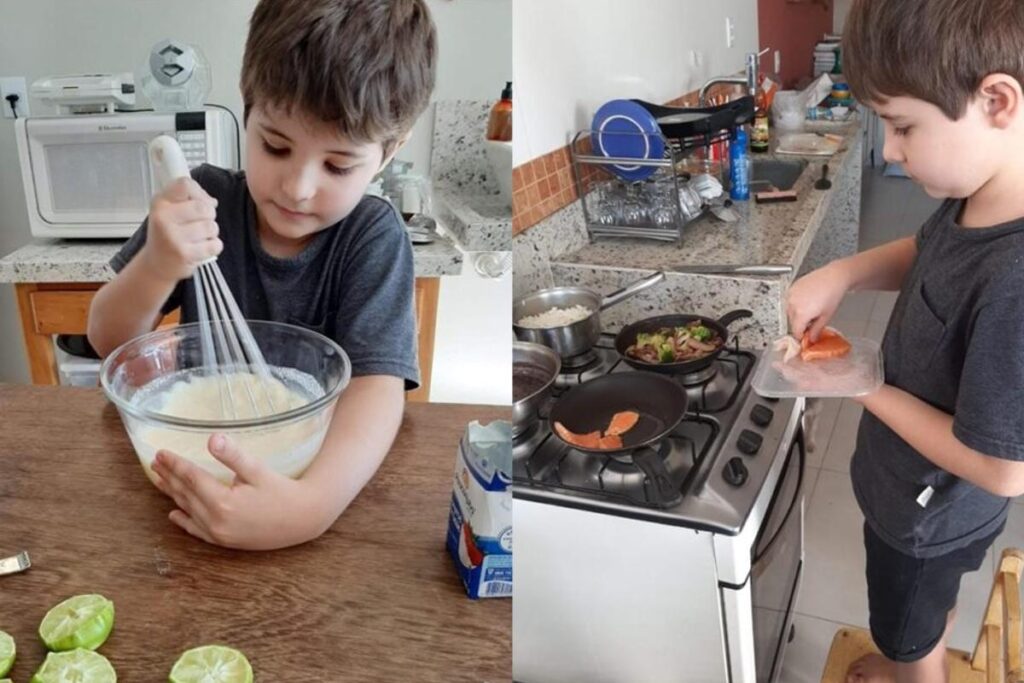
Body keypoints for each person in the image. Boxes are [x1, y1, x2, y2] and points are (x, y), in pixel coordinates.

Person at [87, 0, 437, 551]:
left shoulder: (372, 236)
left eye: (338, 166)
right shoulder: (204, 199)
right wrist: (157, 263)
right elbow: (108, 341)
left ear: (390, 151)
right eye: (275, 146)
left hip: (304, 489)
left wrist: (311, 508)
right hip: (183, 487)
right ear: (247, 110)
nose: (298, 186)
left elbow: (376, 389)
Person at [787, 1, 1024, 680]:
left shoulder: (1016, 281)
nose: (889, 149)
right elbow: (923, 252)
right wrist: (845, 272)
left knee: (906, 631)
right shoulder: (979, 196)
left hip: (928, 520)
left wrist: (861, 384)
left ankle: (909, 671)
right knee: (930, 608)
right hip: (921, 502)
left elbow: (1005, 469)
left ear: (997, 100)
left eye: (902, 125)